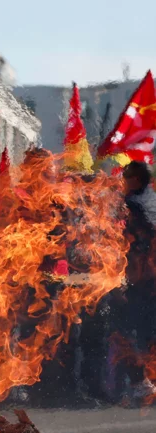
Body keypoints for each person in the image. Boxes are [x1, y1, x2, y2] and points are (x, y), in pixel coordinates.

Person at [116, 161, 156, 400]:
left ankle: (141, 382)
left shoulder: (134, 206)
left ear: (136, 180)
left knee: (130, 332)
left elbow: (135, 243)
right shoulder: (151, 202)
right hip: (147, 280)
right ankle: (144, 382)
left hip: (141, 281)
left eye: (126, 178)